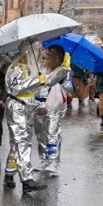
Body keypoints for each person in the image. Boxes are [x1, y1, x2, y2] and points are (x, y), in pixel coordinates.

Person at [2, 41, 48, 192]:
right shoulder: (18, 68)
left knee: (19, 143)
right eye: (38, 50)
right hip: (17, 107)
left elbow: (36, 91)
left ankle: (10, 173)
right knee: (22, 143)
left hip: (28, 108)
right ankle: (27, 179)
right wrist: (36, 81)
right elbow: (15, 89)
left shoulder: (33, 68)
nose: (41, 52)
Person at [33, 45, 73, 176]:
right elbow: (36, 86)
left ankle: (54, 161)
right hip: (39, 104)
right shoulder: (41, 67)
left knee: (52, 132)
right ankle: (44, 159)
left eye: (50, 53)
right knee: (40, 132)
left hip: (55, 105)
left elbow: (69, 88)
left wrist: (59, 81)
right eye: (47, 52)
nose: (46, 55)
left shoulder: (65, 69)